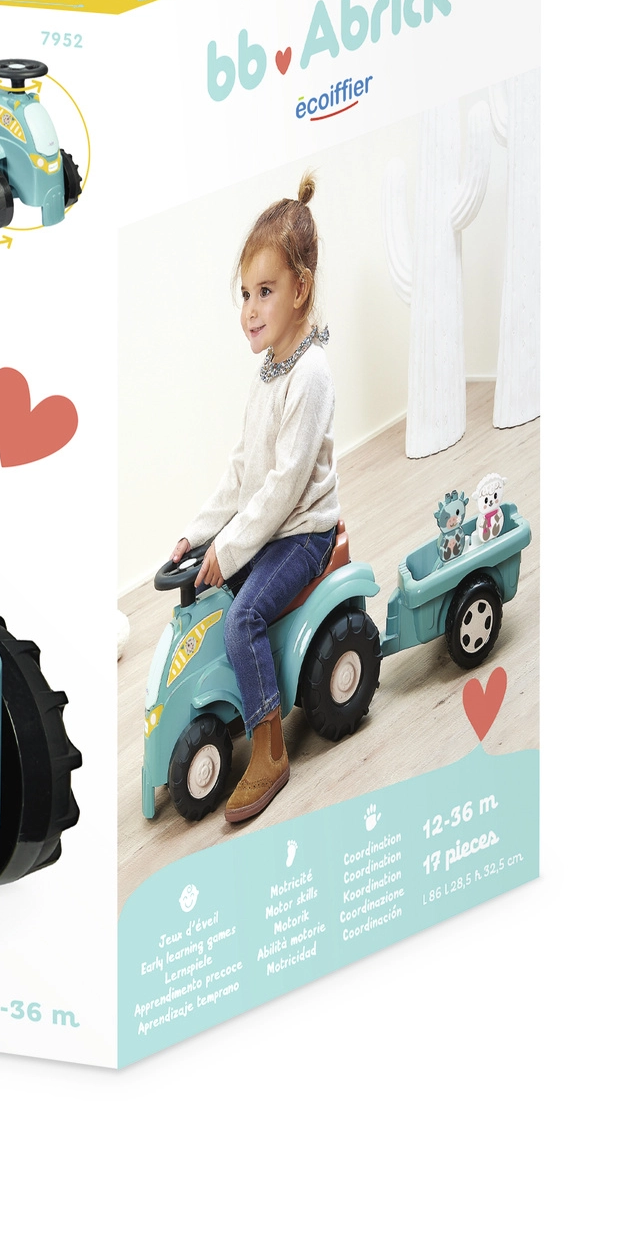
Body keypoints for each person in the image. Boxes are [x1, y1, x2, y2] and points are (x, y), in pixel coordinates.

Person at [171, 176, 341, 825]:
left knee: (240, 617)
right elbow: (244, 470)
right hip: (271, 527)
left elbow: (285, 486)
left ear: (300, 290)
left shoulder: (310, 374)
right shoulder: (268, 371)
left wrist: (233, 545)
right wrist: (198, 535)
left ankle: (269, 750)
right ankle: (239, 697)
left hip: (303, 533)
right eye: (245, 294)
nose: (250, 308)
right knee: (214, 593)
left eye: (265, 291)